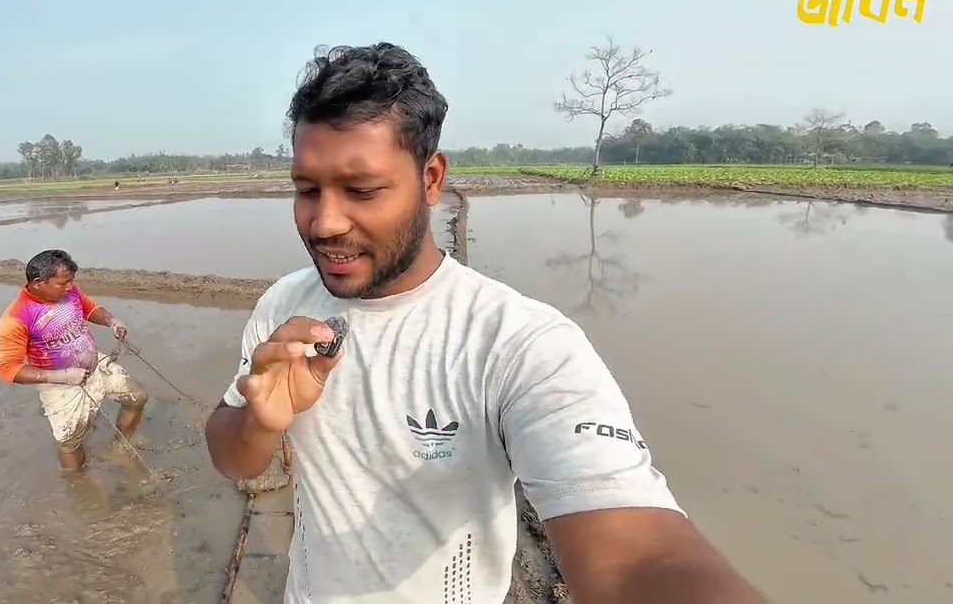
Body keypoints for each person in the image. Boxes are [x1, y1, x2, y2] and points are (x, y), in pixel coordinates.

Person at [204, 43, 767, 603]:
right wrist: (260, 420)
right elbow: (231, 457)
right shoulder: (286, 307)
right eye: (306, 190)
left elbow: (640, 553)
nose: (324, 222)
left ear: (430, 179)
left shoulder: (518, 345)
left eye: (362, 190)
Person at [0, 249, 147, 471]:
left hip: (96, 365)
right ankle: (78, 483)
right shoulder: (16, 317)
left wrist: (111, 321)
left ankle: (121, 446)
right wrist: (63, 376)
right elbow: (7, 369)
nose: (70, 287)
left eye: (71, 281)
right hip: (61, 384)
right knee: (70, 441)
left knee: (137, 397)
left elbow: (89, 308)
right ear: (38, 283)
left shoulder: (70, 292)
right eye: (63, 283)